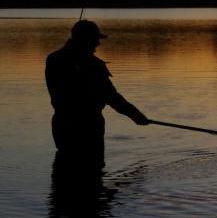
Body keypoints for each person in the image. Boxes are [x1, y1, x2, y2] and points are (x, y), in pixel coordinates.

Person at [45, 20, 148, 168]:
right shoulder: (93, 65)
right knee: (93, 172)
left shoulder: (54, 59)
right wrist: (134, 114)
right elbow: (111, 96)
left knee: (65, 172)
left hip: (62, 126)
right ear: (85, 39)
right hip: (89, 126)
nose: (97, 44)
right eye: (95, 40)